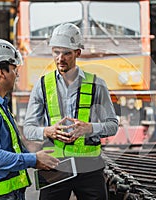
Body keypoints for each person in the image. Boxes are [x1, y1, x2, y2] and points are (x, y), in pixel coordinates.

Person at [23, 23, 119, 200]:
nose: (60, 58)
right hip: (54, 165)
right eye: (56, 52)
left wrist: (90, 128)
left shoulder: (97, 85)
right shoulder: (42, 85)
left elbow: (113, 125)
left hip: (90, 168)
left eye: (66, 53)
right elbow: (28, 128)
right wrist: (46, 131)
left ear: (78, 53)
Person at [0, 38, 59, 200]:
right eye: (14, 69)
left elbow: (9, 148)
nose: (17, 74)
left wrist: (38, 160)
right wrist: (33, 159)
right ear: (1, 72)